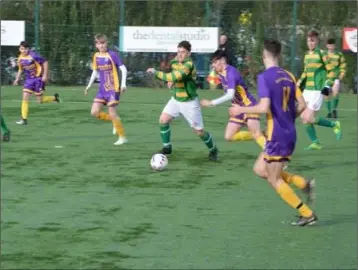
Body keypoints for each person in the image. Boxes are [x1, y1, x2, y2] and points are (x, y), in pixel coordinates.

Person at [229, 39, 317, 226]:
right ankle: (303, 183)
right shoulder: (289, 76)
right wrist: (287, 118)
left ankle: (307, 213)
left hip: (277, 135)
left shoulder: (265, 77)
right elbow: (302, 105)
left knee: (274, 180)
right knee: (260, 169)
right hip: (288, 133)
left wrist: (240, 110)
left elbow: (264, 106)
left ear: (264, 56)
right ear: (278, 55)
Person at [146, 40, 219, 161]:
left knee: (199, 132)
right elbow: (174, 75)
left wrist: (156, 73)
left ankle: (213, 150)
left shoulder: (189, 65)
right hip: (176, 99)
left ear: (189, 54)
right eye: (178, 51)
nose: (180, 54)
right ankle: (167, 147)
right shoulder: (174, 61)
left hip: (189, 102)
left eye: (183, 52)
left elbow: (175, 76)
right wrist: (171, 81)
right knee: (163, 120)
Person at [200, 49, 265, 149]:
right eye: (212, 62)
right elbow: (214, 82)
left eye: (215, 62)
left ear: (223, 60)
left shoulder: (231, 73)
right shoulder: (221, 74)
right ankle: (261, 134)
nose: (213, 65)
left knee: (256, 134)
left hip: (249, 105)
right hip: (237, 108)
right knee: (228, 136)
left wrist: (211, 103)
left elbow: (230, 95)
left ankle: (274, 157)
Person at [297, 30, 342, 150]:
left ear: (317, 41)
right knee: (303, 118)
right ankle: (315, 142)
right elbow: (305, 72)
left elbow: (332, 71)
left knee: (309, 118)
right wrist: (298, 84)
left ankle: (334, 124)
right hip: (307, 90)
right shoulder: (306, 55)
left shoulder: (322, 54)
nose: (310, 43)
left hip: (317, 90)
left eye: (313, 40)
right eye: (308, 41)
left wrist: (328, 85)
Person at [85, 34, 128, 145]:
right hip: (102, 89)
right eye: (99, 43)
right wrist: (89, 85)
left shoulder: (112, 55)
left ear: (106, 43)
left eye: (104, 43)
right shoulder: (96, 56)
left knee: (112, 112)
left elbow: (123, 69)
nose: (102, 45)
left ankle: (122, 137)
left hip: (113, 88)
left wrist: (123, 84)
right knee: (94, 112)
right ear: (96, 45)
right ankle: (115, 121)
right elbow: (95, 71)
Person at [13, 41, 61, 125]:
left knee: (40, 101)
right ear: (19, 49)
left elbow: (45, 62)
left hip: (38, 79)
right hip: (28, 80)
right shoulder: (20, 58)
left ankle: (54, 98)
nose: (23, 50)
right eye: (21, 49)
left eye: (25, 49)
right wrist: (17, 79)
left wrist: (45, 75)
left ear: (28, 49)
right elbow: (20, 69)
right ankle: (24, 119)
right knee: (25, 97)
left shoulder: (34, 56)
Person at [325, 38, 346, 119]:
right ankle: (329, 112)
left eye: (332, 45)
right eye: (329, 45)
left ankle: (334, 110)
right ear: (327, 46)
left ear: (335, 46)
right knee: (326, 95)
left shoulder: (339, 55)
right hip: (326, 78)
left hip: (335, 78)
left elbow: (343, 65)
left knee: (335, 93)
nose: (331, 47)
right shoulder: (324, 55)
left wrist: (341, 75)